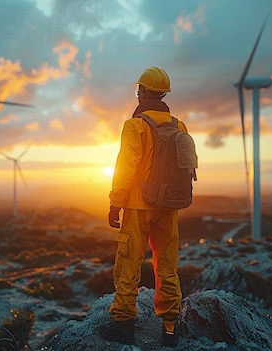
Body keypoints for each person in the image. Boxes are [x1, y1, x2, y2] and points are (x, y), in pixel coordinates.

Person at [99, 67, 187, 347]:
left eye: (139, 89)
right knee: (168, 265)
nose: (137, 93)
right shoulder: (179, 125)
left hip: (138, 205)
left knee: (129, 262)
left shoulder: (135, 125)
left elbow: (126, 167)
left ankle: (124, 323)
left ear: (146, 92)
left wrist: (116, 202)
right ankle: (171, 327)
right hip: (168, 205)